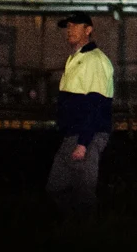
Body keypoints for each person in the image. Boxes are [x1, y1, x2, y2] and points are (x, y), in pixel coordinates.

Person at [47, 12, 114, 216]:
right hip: (73, 134)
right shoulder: (76, 58)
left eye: (75, 26)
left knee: (82, 192)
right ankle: (78, 228)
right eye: (68, 26)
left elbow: (96, 103)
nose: (70, 29)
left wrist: (84, 143)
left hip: (86, 135)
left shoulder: (94, 60)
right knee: (57, 189)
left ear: (88, 30)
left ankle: (88, 233)